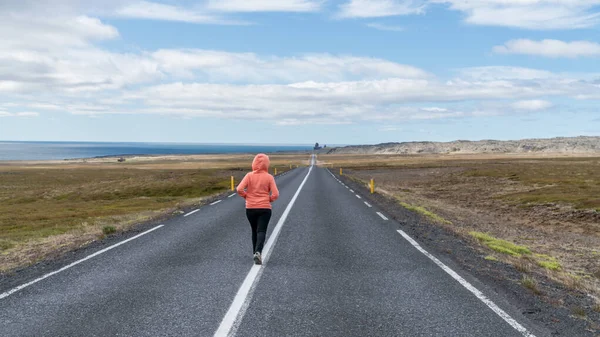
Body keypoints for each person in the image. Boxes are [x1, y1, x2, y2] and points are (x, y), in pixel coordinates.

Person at [237, 153, 279, 265]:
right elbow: (276, 194)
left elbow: (239, 189)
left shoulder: (249, 175)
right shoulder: (269, 177)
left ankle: (255, 253)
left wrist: (247, 196)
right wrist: (268, 199)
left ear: (254, 163)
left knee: (254, 230)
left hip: (250, 208)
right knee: (261, 230)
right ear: (267, 164)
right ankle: (258, 252)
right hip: (264, 208)